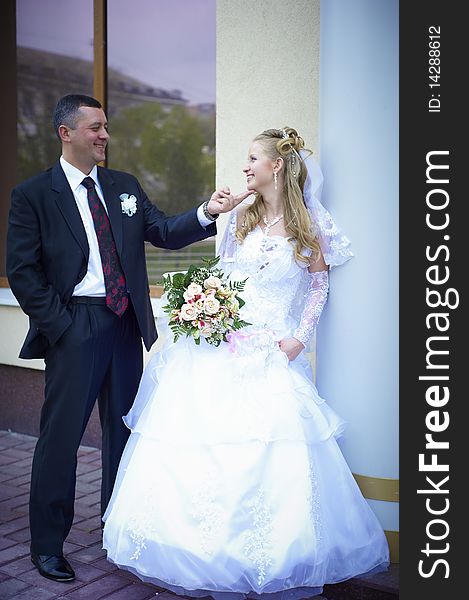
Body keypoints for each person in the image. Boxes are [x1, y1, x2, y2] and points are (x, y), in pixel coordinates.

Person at [102, 127, 390, 599]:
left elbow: (319, 286)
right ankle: (194, 549)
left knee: (266, 451)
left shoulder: (308, 227)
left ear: (276, 165)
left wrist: (300, 338)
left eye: (252, 158)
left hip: (272, 352)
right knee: (201, 445)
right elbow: (224, 277)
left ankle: (268, 554)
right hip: (221, 347)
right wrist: (204, 305)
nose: (245, 166)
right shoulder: (241, 220)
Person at [6, 94, 249, 583]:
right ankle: (48, 545)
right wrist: (63, 327)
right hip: (73, 325)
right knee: (61, 439)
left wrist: (207, 210)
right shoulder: (34, 195)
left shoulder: (124, 186)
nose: (104, 136)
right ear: (66, 133)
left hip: (124, 326)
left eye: (106, 127)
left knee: (124, 433)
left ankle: (116, 528)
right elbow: (22, 272)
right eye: (95, 128)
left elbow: (162, 231)